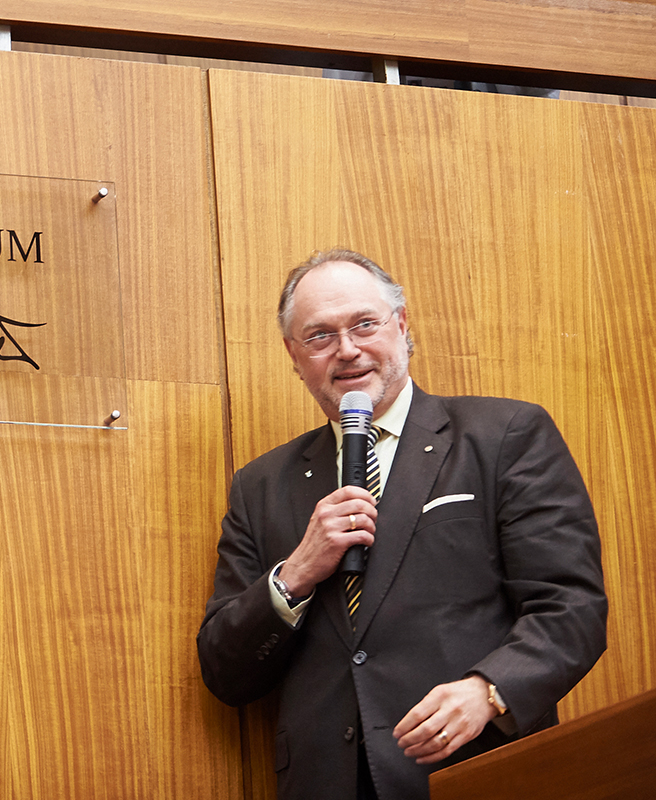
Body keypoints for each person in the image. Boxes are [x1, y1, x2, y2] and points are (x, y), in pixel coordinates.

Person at [197, 249, 608, 800]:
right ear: (294, 356)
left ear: (402, 325)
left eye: (364, 324)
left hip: (475, 768)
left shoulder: (504, 435)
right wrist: (295, 573)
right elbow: (226, 672)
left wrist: (489, 691)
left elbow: (572, 606)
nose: (347, 350)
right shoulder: (260, 485)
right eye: (319, 336)